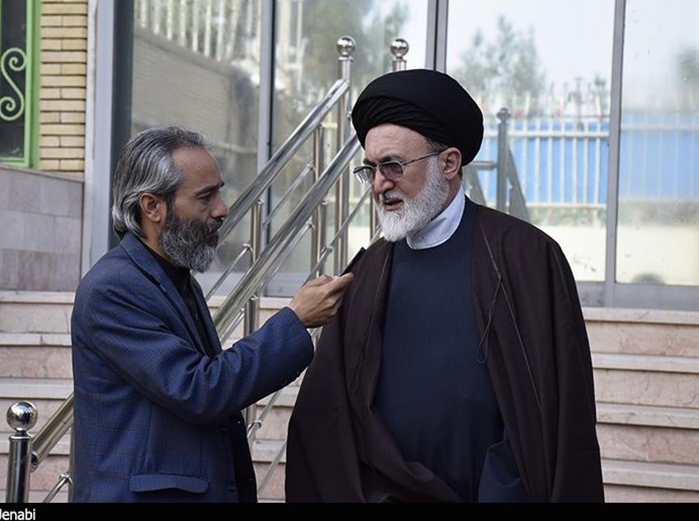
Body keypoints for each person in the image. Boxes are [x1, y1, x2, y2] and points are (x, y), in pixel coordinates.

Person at [284, 69, 604, 503]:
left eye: (393, 166)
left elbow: (551, 413)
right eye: (370, 169)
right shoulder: (367, 272)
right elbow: (333, 417)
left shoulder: (526, 259)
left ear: (449, 163)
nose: (378, 185)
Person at [70, 125, 353, 503]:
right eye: (205, 197)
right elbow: (200, 390)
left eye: (219, 191)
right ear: (151, 206)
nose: (222, 209)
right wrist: (295, 320)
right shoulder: (113, 289)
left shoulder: (174, 277)